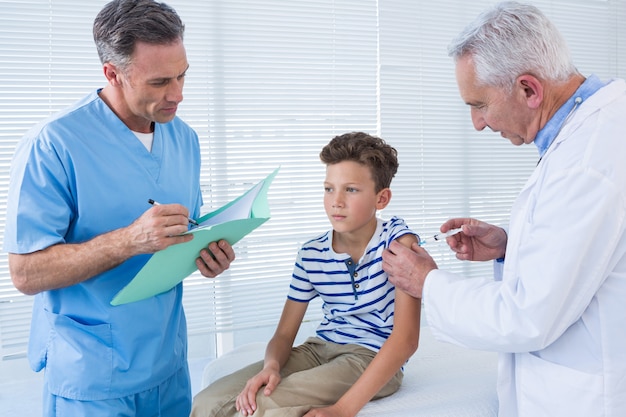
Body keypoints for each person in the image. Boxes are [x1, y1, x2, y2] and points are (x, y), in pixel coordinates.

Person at [381, 2, 626, 416]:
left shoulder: (587, 163)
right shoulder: (586, 131)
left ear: (529, 90)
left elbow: (529, 316)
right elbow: (587, 255)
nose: (477, 123)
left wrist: (429, 283)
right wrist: (509, 247)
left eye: (479, 105)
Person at [3, 0, 236, 415]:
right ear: (112, 73)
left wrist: (208, 254)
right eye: (160, 81)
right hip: (92, 374)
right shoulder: (53, 144)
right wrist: (129, 240)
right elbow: (25, 273)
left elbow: (185, 233)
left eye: (183, 75)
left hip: (167, 364)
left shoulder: (184, 139)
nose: (178, 94)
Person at [191, 132, 422, 417]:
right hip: (319, 349)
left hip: (369, 356)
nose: (336, 201)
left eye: (350, 190)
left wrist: (342, 409)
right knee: (207, 400)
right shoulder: (311, 253)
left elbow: (406, 340)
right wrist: (271, 367)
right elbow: (285, 332)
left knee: (263, 406)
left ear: (381, 198)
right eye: (328, 189)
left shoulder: (398, 244)